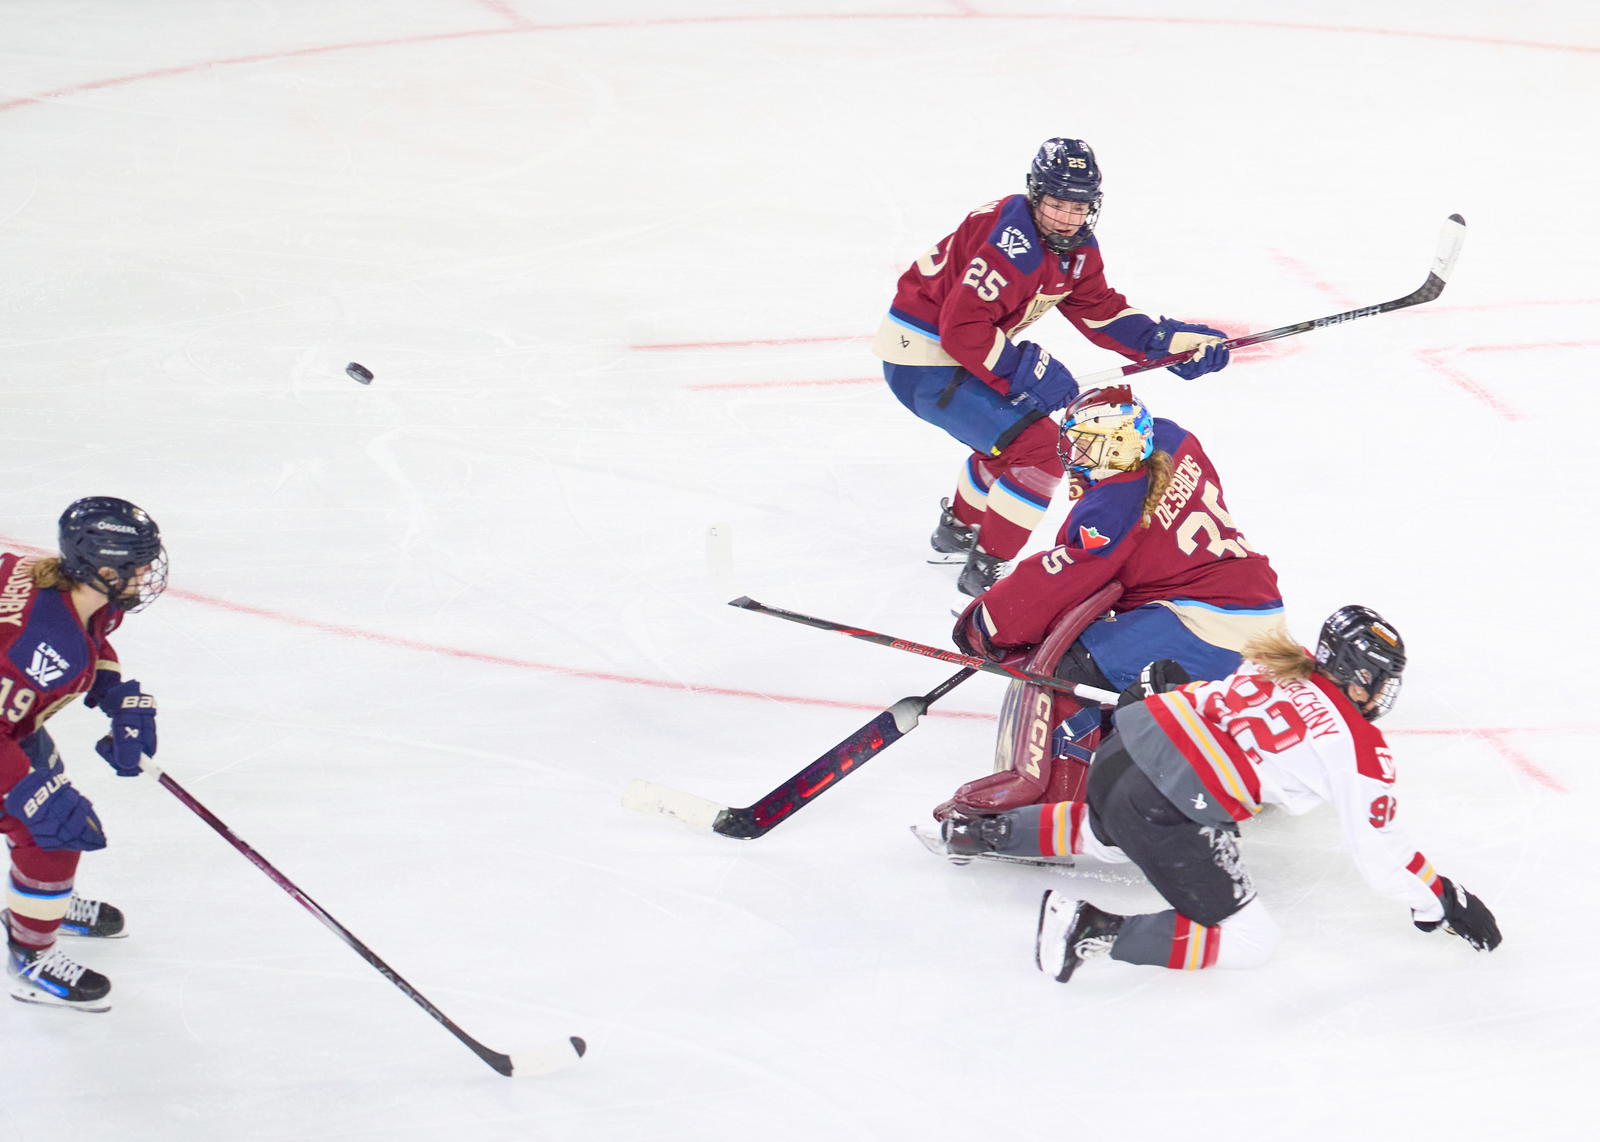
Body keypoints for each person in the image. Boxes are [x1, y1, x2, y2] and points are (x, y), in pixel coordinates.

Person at [941, 606, 1502, 980]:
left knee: (1106, 828)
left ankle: (980, 831)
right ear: (1359, 678)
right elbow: (1381, 858)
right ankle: (1089, 928)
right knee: (1251, 942)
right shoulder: (1358, 745)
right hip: (1165, 801)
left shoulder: (1275, 663)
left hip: (1125, 751)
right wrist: (1442, 899)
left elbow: (1191, 693)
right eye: (1381, 679)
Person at [873, 136, 1232, 598]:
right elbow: (961, 329)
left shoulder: (1077, 249)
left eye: (1079, 206)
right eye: (1057, 203)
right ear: (1035, 194)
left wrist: (1165, 342)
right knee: (1039, 448)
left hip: (956, 352)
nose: (1067, 217)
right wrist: (1025, 370)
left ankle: (958, 533)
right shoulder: (1014, 243)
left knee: (1008, 437)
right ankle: (988, 573)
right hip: (923, 359)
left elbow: (1099, 309)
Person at [933, 384, 1285, 817]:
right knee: (1107, 660)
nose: (1077, 459)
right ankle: (1169, 760)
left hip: (1205, 627)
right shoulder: (1173, 437)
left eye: (1087, 447)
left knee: (1066, 668)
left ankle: (1048, 810)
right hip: (1252, 607)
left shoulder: (1113, 505)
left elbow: (1058, 578)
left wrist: (987, 623)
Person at [0, 497, 166, 1012]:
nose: (148, 572)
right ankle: (31, 955)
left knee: (45, 778)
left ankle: (37, 897)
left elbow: (90, 638)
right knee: (52, 827)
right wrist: (30, 796)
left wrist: (115, 693)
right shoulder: (40, 646)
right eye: (138, 563)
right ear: (102, 566)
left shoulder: (72, 589)